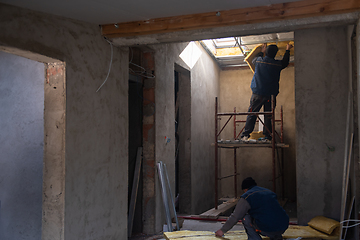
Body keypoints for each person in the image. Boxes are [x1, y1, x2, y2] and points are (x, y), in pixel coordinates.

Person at [240, 43, 293, 142]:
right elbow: (285, 62)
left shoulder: (259, 61)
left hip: (258, 93)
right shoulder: (276, 64)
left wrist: (261, 51)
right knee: (268, 116)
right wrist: (287, 50)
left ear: (266, 52)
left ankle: (245, 135)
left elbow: (253, 59)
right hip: (270, 96)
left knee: (252, 114)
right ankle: (268, 137)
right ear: (275, 54)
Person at [215, 177, 289, 240]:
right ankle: (277, 237)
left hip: (267, 228)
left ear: (245, 189)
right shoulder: (269, 192)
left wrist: (222, 230)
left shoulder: (247, 196)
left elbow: (235, 216)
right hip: (283, 226)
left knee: (245, 217)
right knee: (272, 215)